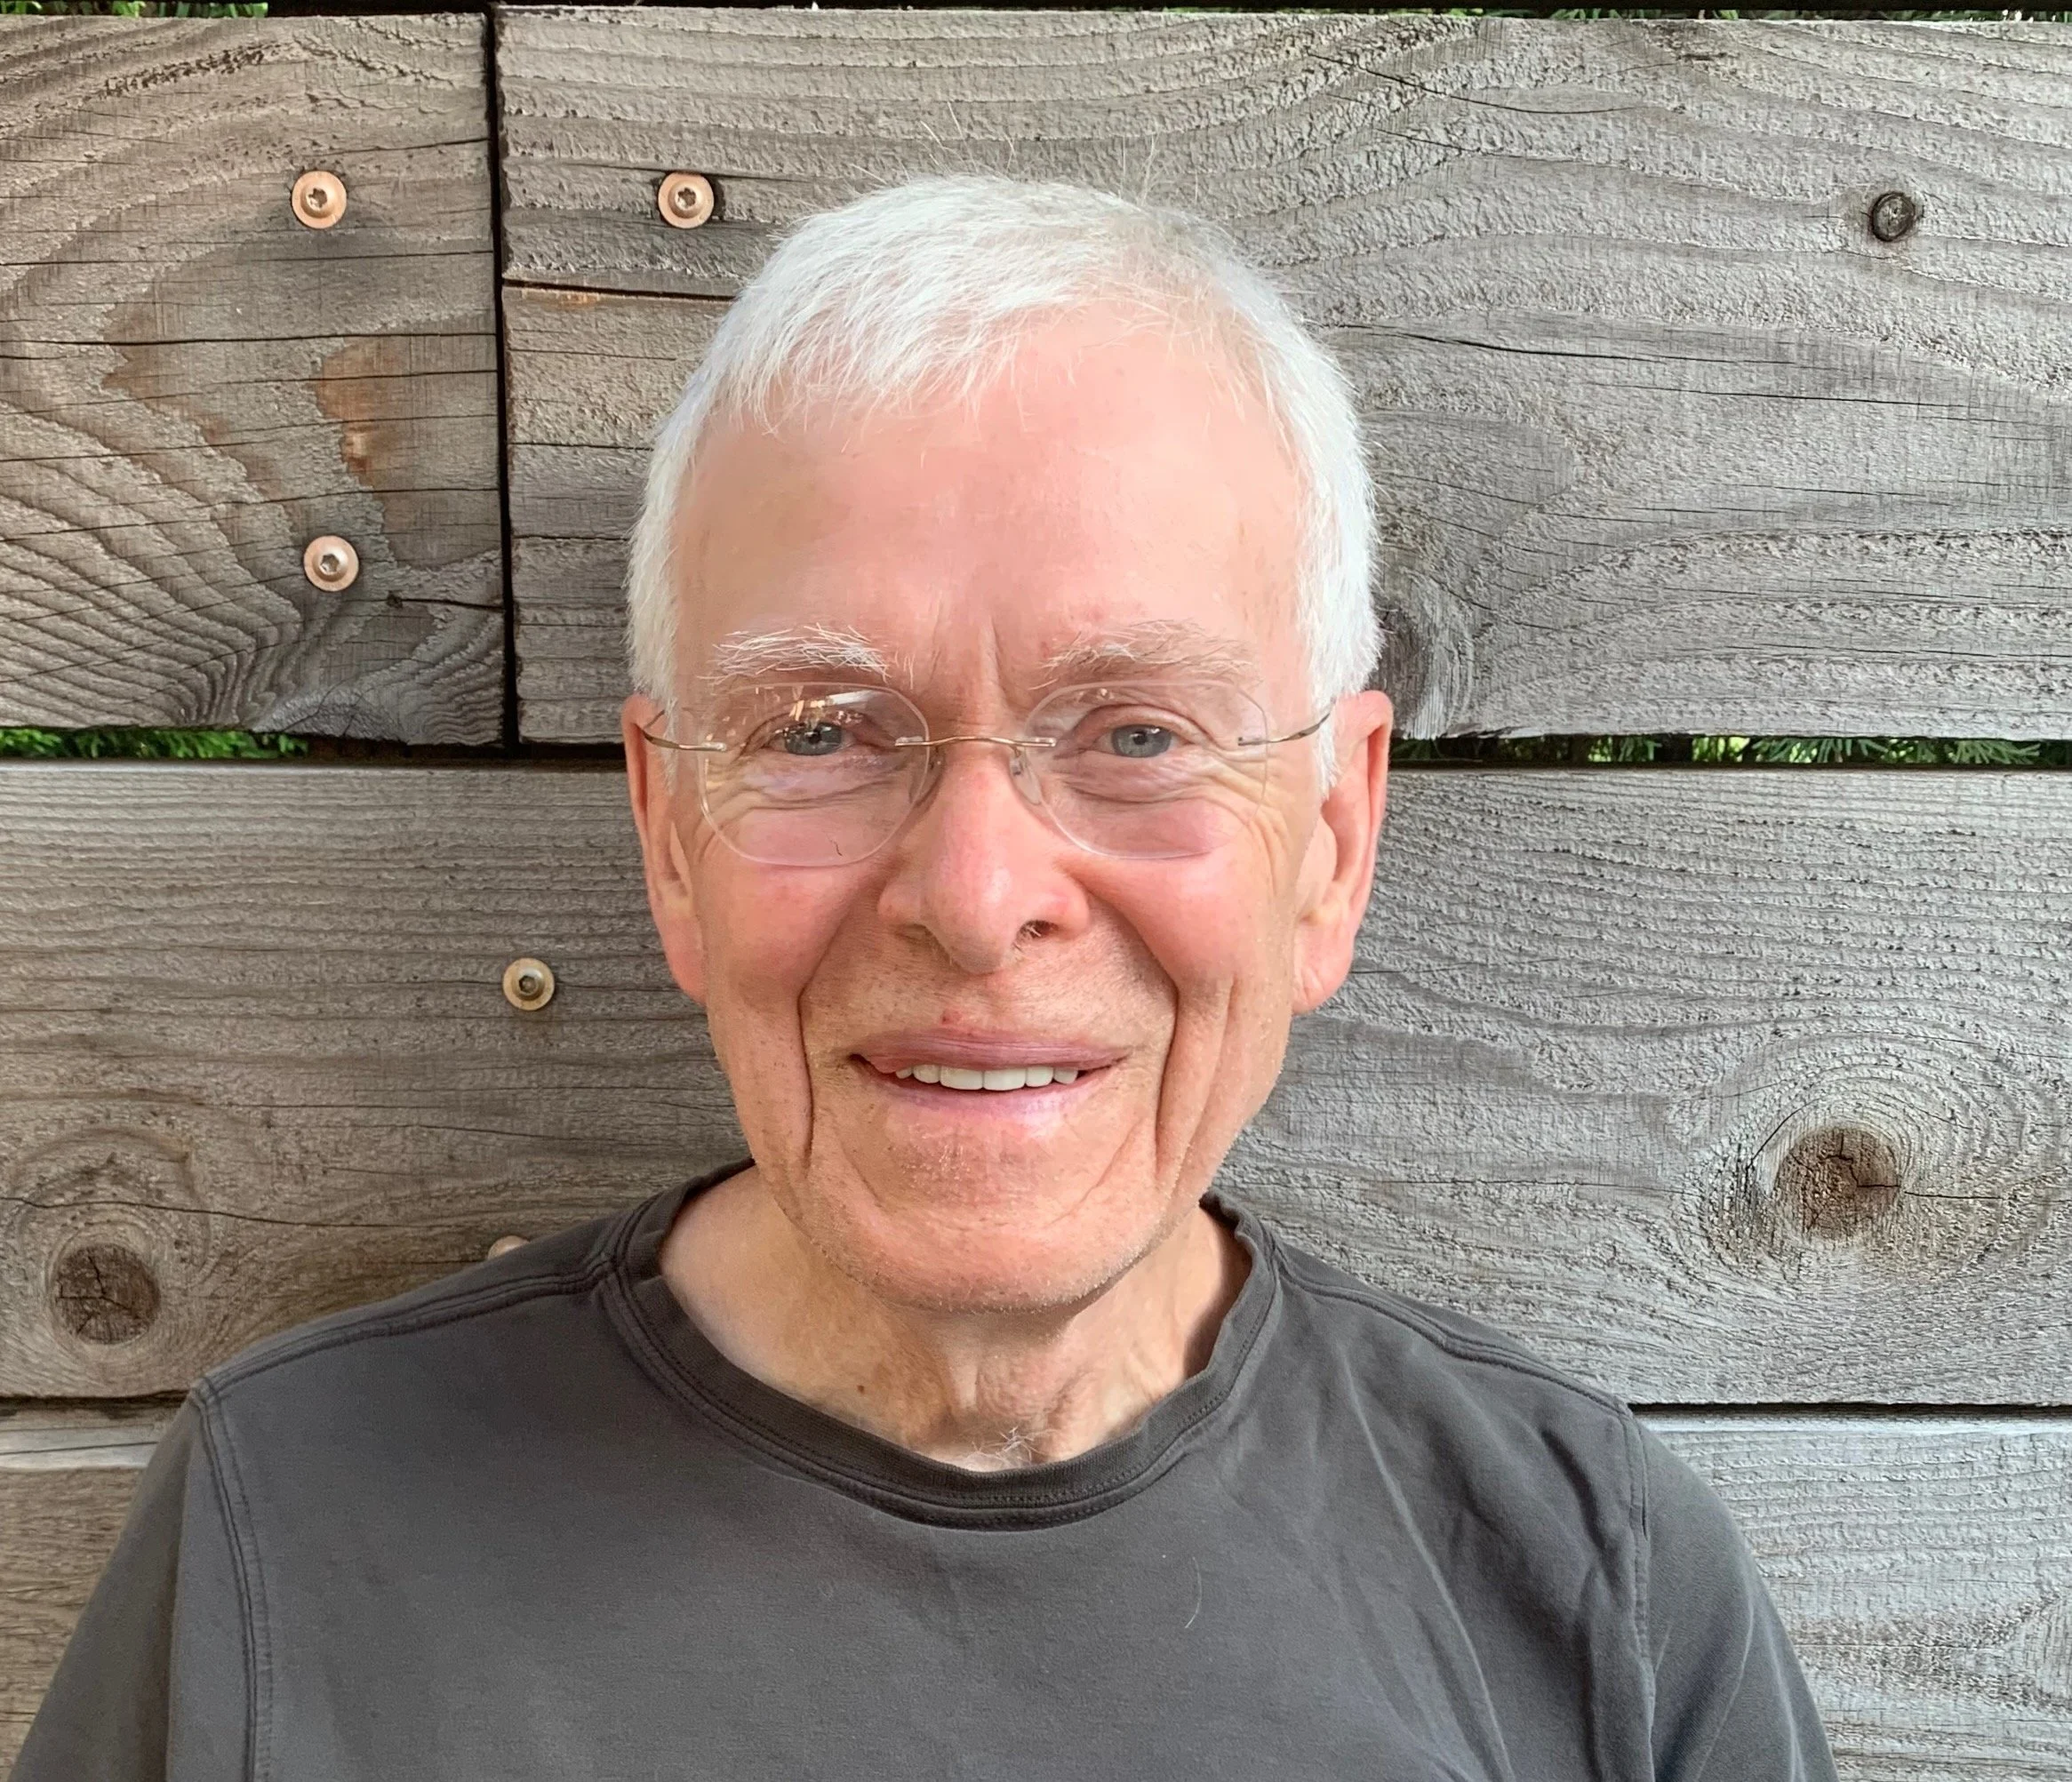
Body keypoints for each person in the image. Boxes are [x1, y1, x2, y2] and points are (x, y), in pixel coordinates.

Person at [15, 174, 1836, 1782]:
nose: (974, 899)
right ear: (670, 837)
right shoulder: (292, 1536)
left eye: (1136, 731)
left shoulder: (1601, 1595)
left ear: (1333, 842)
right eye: (821, 730)